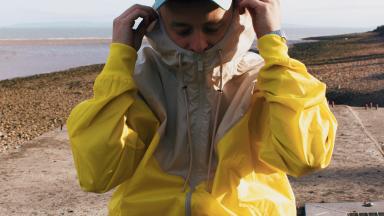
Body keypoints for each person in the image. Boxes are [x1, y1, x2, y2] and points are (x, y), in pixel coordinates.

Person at [66, 0, 338, 215]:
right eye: (182, 30)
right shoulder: (138, 81)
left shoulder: (266, 81)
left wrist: (275, 47)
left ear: (238, 16)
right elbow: (99, 174)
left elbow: (305, 157)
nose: (198, 44)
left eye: (212, 28)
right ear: (158, 23)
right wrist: (120, 57)